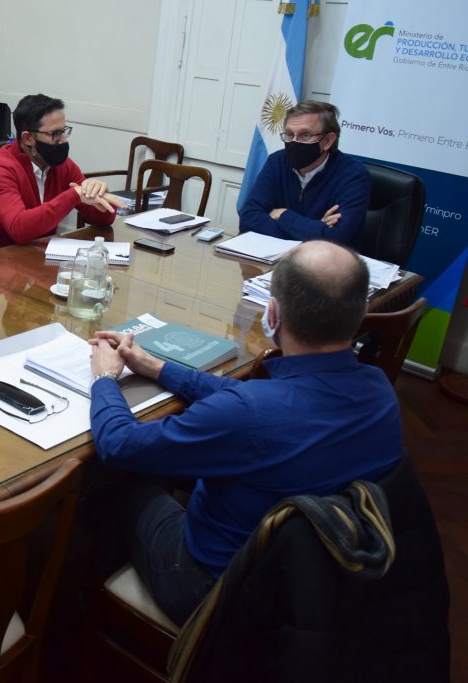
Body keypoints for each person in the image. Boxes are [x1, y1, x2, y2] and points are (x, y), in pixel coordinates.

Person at [87, 240, 402, 625]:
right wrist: (156, 366)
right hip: (319, 576)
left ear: (272, 313)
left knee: (114, 480)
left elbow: (118, 445)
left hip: (217, 591)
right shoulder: (379, 388)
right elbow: (257, 400)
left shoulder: (248, 415)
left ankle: (88, 610)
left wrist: (104, 377)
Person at [0, 93, 122, 254]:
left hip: (34, 258)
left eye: (64, 131)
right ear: (27, 138)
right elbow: (19, 230)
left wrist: (101, 201)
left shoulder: (61, 165)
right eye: (55, 134)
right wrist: (73, 195)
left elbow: (103, 220)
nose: (63, 140)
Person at [238, 100, 371, 246]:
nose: (294, 142)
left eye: (305, 135)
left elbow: (336, 238)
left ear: (327, 141)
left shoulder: (353, 175)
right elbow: (248, 218)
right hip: (275, 258)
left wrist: (283, 215)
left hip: (327, 264)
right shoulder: (277, 161)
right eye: (289, 134)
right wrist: (316, 229)